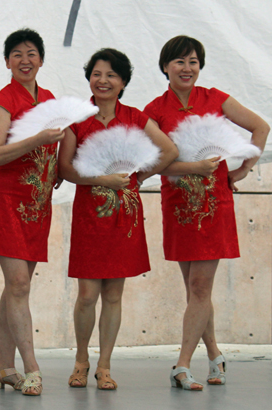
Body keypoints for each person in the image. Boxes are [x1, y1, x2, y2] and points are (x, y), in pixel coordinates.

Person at [143, 35, 269, 390]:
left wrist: (242, 169)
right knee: (193, 289)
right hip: (179, 204)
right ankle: (215, 353)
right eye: (180, 61)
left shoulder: (216, 99)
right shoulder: (153, 110)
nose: (187, 68)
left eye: (194, 61)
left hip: (214, 205)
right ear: (165, 66)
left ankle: (181, 365)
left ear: (200, 66)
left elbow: (261, 127)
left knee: (199, 286)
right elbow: (154, 160)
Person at [58, 48, 178, 390]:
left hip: (124, 214)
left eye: (111, 75)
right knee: (86, 294)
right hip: (89, 214)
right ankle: (81, 360)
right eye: (97, 74)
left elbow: (168, 151)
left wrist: (138, 177)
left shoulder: (136, 118)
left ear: (123, 82)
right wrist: (102, 180)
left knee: (114, 294)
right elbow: (66, 169)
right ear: (89, 79)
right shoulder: (77, 120)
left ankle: (105, 366)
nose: (103, 80)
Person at [0, 28, 65, 396]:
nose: (25, 60)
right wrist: (37, 140)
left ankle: (3, 366)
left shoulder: (48, 100)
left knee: (17, 287)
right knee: (18, 284)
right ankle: (31, 367)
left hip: (37, 204)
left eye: (31, 53)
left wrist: (57, 169)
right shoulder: (4, 100)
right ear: (7, 63)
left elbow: (57, 149)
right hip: (7, 201)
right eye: (16, 54)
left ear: (42, 60)